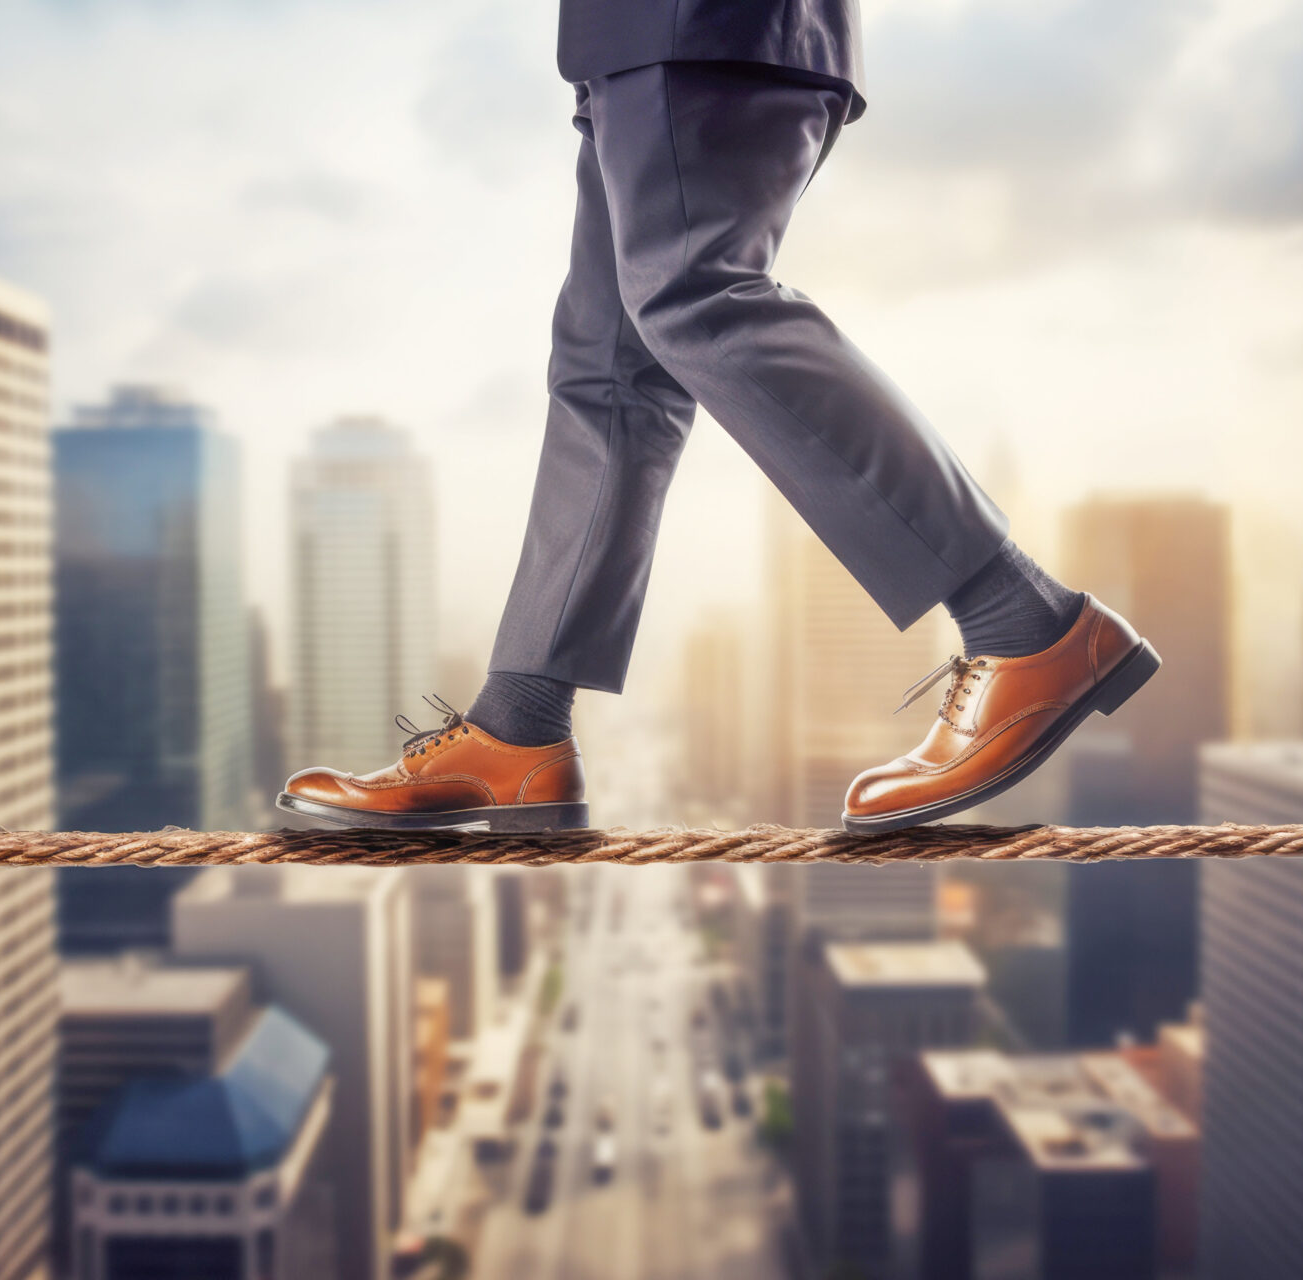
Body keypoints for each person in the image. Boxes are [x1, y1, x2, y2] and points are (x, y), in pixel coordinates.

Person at [279, 0, 1160, 835]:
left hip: (699, 22)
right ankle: (520, 726)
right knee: (609, 369)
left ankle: (1022, 619)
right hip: (625, 39)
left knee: (695, 295)